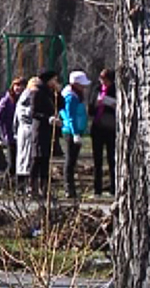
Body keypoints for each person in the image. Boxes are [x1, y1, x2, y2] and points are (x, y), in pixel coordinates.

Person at [60, 70, 91, 199]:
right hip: (71, 132)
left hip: (76, 130)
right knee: (70, 161)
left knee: (72, 161)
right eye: (82, 84)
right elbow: (70, 116)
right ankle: (69, 188)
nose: (84, 87)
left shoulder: (76, 95)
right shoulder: (70, 97)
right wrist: (75, 133)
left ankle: (71, 188)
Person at [29, 70, 61, 197]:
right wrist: (48, 118)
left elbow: (60, 105)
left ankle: (44, 188)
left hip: (48, 131)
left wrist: (58, 92)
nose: (55, 82)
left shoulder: (50, 93)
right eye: (54, 80)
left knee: (46, 160)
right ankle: (32, 187)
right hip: (39, 130)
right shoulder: (37, 92)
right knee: (37, 159)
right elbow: (33, 112)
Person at [88, 68, 116, 196]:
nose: (102, 81)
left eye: (105, 79)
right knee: (97, 160)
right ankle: (97, 188)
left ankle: (113, 187)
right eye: (101, 79)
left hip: (110, 127)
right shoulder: (96, 89)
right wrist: (96, 103)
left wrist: (112, 105)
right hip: (97, 127)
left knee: (112, 158)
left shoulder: (115, 90)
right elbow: (90, 107)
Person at [0, 77, 27, 181]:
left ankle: (20, 183)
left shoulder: (25, 99)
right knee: (12, 162)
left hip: (22, 134)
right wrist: (2, 131)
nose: (19, 88)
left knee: (21, 161)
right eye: (17, 85)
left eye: (21, 86)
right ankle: (6, 183)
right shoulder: (7, 100)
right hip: (10, 135)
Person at [13, 77, 40, 193]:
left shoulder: (22, 98)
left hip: (22, 131)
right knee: (27, 160)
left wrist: (15, 131)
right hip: (28, 130)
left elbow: (15, 119)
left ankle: (22, 187)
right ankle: (25, 186)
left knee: (22, 159)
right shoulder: (29, 98)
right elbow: (29, 114)